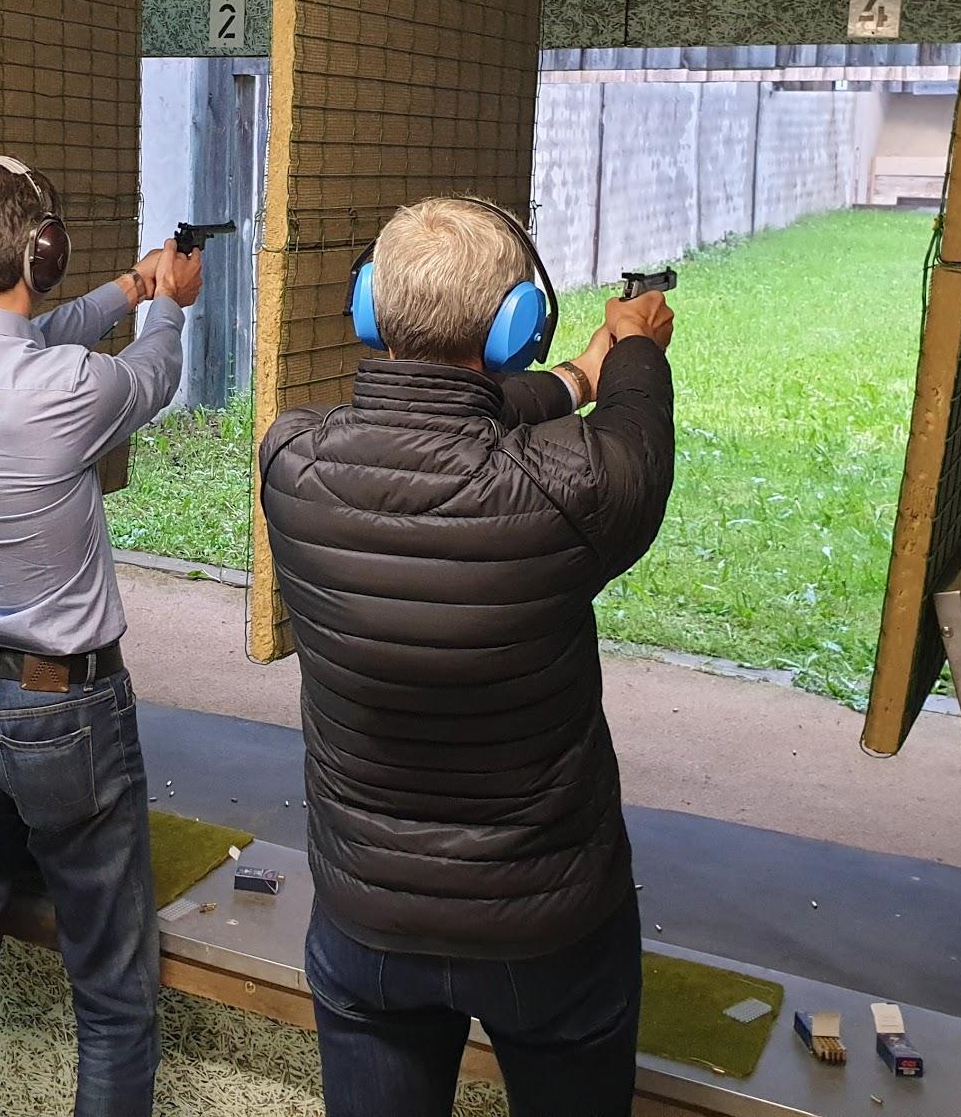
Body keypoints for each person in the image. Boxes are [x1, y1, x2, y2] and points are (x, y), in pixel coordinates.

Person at [259, 196, 676, 1117]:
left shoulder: (291, 463)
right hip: (550, 932)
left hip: (367, 924)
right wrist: (635, 346)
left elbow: (436, 425)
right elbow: (638, 432)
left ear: (370, 308)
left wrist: (574, 376)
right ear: (516, 328)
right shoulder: (577, 491)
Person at [0, 156, 203, 1117]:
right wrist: (169, 302)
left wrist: (128, 286)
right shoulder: (70, 390)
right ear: (41, 251)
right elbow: (154, 371)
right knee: (110, 991)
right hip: (65, 713)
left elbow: (15, 339)